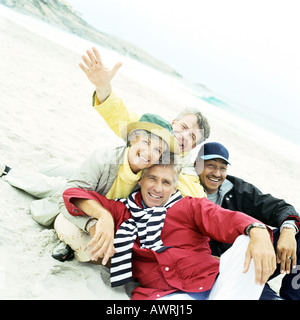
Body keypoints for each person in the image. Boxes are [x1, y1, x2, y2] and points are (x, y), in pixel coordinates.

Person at [60, 162, 276, 300]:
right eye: (152, 178)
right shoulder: (122, 211)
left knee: (249, 239)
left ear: (174, 188)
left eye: (166, 182)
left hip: (213, 283)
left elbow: (223, 219)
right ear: (141, 180)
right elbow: (73, 194)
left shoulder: (188, 206)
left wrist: (257, 230)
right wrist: (104, 216)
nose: (157, 188)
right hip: (165, 294)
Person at [0, 114, 179, 246]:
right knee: (55, 187)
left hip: (97, 197)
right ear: (133, 139)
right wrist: (96, 221)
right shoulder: (104, 157)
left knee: (62, 181)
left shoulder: (148, 176)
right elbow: (69, 197)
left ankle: (50, 169)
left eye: (157, 150)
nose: (149, 152)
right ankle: (10, 172)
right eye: (146, 143)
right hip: (87, 193)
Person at [79, 47, 210, 198]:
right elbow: (119, 115)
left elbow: (198, 197)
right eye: (183, 127)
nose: (184, 136)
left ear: (192, 147)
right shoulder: (151, 130)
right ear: (173, 122)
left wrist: (169, 165)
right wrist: (103, 86)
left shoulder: (185, 166)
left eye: (192, 137)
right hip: (98, 178)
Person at [194, 141, 300, 300]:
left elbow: (278, 207)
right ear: (196, 164)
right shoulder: (187, 191)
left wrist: (288, 230)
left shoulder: (236, 189)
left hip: (250, 257)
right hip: (218, 270)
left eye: (222, 168)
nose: (217, 173)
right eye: (211, 165)